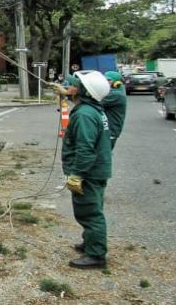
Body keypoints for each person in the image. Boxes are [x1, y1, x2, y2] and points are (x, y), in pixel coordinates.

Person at [62, 70, 112, 269]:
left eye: (73, 84)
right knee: (92, 207)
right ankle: (89, 242)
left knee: (89, 213)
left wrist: (77, 174)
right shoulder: (93, 109)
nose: (69, 86)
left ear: (83, 91)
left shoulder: (84, 115)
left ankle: (96, 255)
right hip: (97, 170)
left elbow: (85, 148)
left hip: (89, 172)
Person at [101, 71, 127, 149]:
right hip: (107, 130)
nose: (105, 82)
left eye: (108, 80)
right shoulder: (116, 91)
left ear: (117, 83)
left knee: (103, 157)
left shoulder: (116, 94)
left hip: (110, 131)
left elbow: (94, 101)